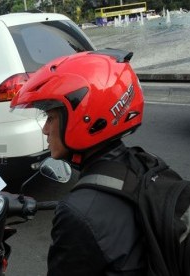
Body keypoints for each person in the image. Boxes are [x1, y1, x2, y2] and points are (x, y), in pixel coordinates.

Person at [10, 49, 147, 275]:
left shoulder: (77, 213)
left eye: (51, 118)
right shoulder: (143, 163)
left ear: (86, 116)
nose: (45, 129)